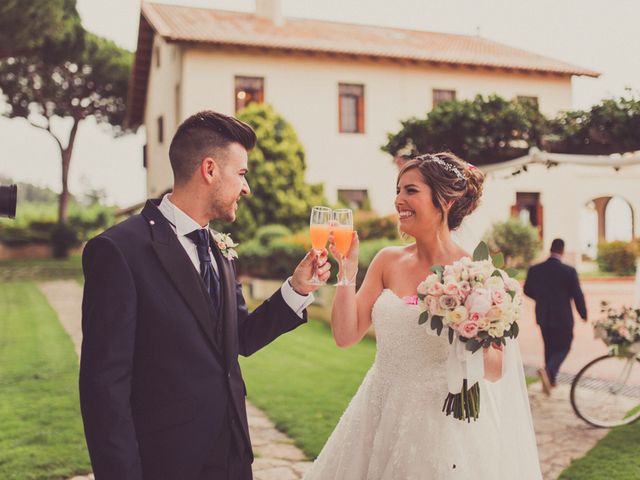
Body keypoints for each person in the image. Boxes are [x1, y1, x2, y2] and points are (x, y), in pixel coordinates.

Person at [79, 110, 330, 480]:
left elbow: (238, 338)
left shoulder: (219, 248)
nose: (247, 188)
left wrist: (296, 290)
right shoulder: (119, 251)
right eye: (242, 174)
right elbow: (104, 389)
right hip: (165, 464)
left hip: (231, 458)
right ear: (210, 170)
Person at [304, 153, 541, 479]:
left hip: (445, 422)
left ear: (444, 201)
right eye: (398, 190)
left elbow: (497, 369)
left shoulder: (478, 273)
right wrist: (347, 271)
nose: (398, 200)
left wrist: (467, 327)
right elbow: (345, 336)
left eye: (410, 191)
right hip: (379, 408)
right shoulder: (387, 261)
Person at [524, 238, 587, 394]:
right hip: (563, 315)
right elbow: (577, 294)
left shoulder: (535, 269)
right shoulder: (568, 271)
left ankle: (550, 382)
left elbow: (527, 290)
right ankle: (549, 372)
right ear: (562, 251)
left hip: (543, 314)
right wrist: (583, 313)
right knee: (565, 345)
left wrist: (541, 298)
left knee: (549, 346)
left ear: (550, 249)